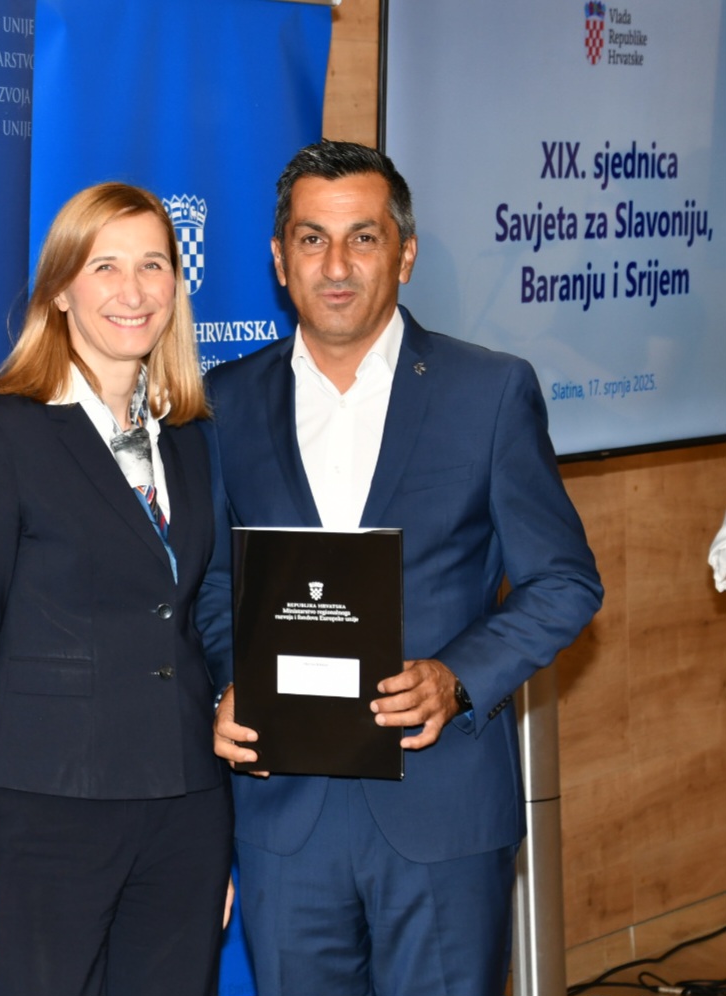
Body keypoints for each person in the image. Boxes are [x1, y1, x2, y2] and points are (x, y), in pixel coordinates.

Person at [196, 140, 603, 995]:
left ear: (404, 254)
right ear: (278, 259)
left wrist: (456, 677)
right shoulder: (224, 403)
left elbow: (563, 581)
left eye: (363, 238)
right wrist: (233, 681)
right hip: (284, 817)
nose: (335, 265)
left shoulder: (487, 392)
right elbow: (214, 583)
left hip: (441, 808)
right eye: (311, 239)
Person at [0, 182, 232, 996]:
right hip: (46, 816)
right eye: (105, 267)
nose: (133, 291)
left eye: (153, 265)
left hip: (185, 810)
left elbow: (193, 620)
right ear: (60, 289)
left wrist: (217, 837)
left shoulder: (190, 440)